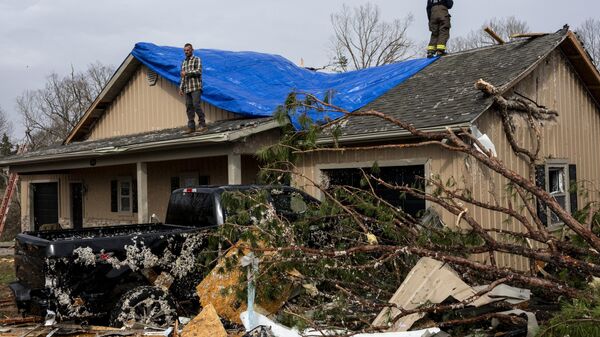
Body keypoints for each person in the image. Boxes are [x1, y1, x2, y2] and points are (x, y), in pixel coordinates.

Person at [179, 43, 206, 133]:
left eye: (188, 50)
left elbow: (198, 71)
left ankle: (202, 124)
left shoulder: (196, 59)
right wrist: (181, 88)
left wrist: (186, 73)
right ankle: (191, 127)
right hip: (187, 88)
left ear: (192, 50)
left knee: (196, 105)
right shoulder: (183, 62)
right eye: (185, 50)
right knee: (189, 108)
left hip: (195, 87)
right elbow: (183, 76)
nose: (186, 52)